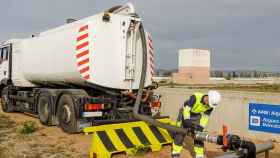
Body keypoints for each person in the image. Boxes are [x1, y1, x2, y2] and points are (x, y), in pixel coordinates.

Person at [171, 90, 221, 158]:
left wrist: (201, 127)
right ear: (207, 97)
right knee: (180, 132)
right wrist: (187, 121)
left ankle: (199, 154)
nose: (209, 105)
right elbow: (186, 110)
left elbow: (205, 117)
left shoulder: (211, 106)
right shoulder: (195, 97)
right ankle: (176, 152)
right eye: (209, 103)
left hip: (196, 114)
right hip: (185, 112)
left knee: (198, 135)